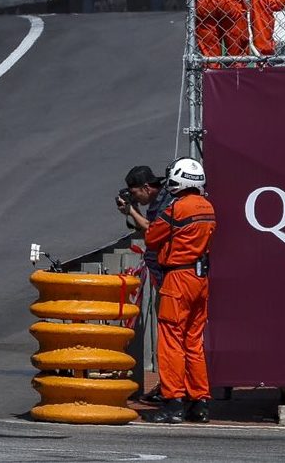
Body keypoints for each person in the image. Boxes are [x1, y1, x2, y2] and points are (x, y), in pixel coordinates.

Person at [145, 157, 216, 423]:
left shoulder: (177, 209)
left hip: (178, 278)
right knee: (193, 342)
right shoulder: (208, 207)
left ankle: (173, 401)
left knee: (171, 342)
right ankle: (200, 403)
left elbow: (152, 238)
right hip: (201, 278)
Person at [116, 165, 168, 403]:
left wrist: (131, 211)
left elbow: (153, 230)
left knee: (170, 336)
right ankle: (168, 384)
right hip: (162, 273)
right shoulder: (157, 202)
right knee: (166, 335)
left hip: (172, 277)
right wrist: (132, 211)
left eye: (135, 193)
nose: (135, 197)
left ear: (147, 187)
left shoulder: (166, 200)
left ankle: (171, 387)